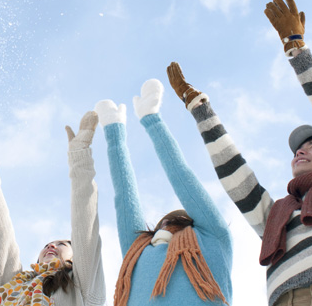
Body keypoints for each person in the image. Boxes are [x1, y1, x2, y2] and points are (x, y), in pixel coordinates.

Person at [167, 0, 312, 306]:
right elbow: (235, 177)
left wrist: (298, 51)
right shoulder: (279, 215)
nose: (300, 151)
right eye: (297, 149)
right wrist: (200, 110)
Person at [95, 79, 232, 306]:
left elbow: (183, 179)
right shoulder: (138, 249)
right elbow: (125, 199)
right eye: (162, 223)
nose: (165, 224)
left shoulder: (212, 237)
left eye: (175, 221)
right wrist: (114, 132)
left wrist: (152, 120)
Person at [0, 111, 106, 306]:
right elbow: (1, 240)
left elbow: (85, 227)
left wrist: (80, 158)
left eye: (62, 244)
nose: (51, 245)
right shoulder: (15, 286)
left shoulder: (81, 285)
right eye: (48, 244)